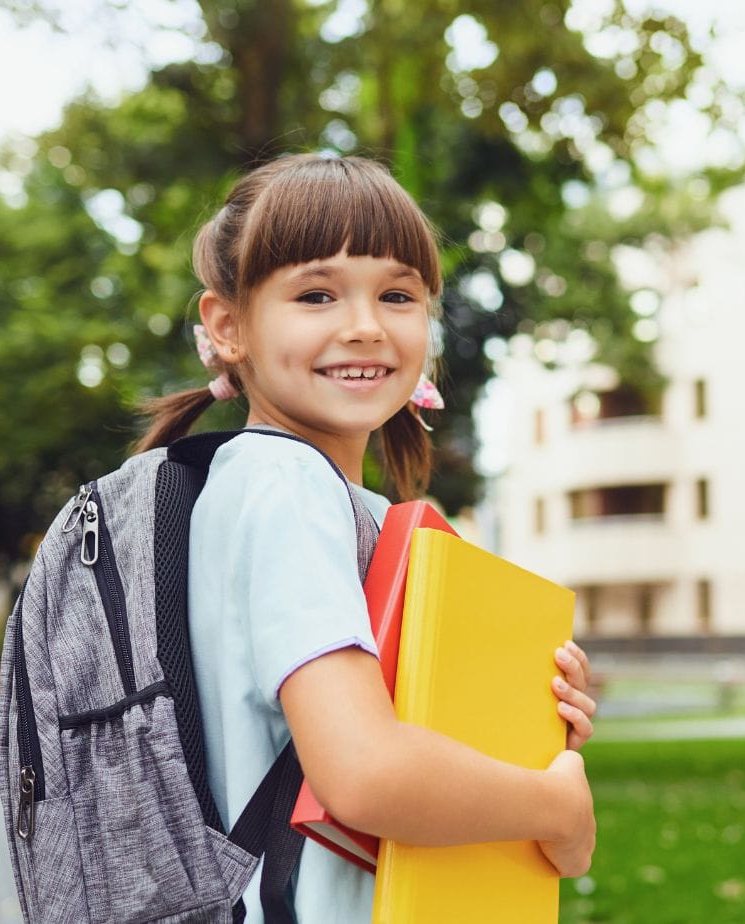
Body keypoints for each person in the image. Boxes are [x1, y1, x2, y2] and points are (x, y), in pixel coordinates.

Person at [133, 153, 598, 923]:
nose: (364, 326)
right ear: (228, 326)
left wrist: (528, 720)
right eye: (316, 294)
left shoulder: (243, 486)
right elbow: (365, 773)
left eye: (397, 295)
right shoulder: (289, 487)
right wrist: (555, 805)